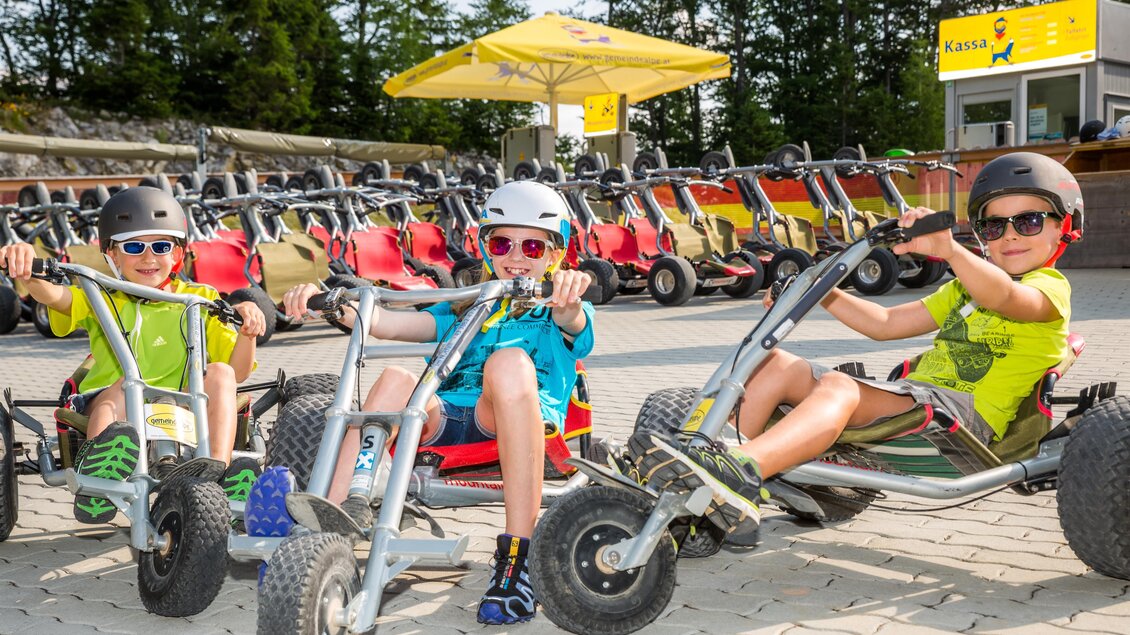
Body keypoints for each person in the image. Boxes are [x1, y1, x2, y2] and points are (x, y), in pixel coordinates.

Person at [630, 151, 1083, 536]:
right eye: (993, 226)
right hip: (917, 399)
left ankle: (740, 470)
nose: (1008, 236)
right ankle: (709, 459)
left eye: (1027, 221)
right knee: (776, 363)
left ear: (1065, 227)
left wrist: (951, 252)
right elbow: (885, 323)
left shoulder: (1049, 289)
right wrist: (822, 291)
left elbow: (1005, 295)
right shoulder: (962, 291)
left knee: (840, 388)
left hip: (960, 422)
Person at [269, 180, 595, 625]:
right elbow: (384, 321)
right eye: (502, 242)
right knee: (395, 378)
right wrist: (325, 303)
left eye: (533, 247)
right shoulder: (463, 306)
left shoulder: (554, 306)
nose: (516, 256)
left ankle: (519, 556)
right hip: (445, 416)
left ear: (554, 254)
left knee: (508, 361)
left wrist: (569, 293)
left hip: (513, 417)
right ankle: (327, 528)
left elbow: (571, 318)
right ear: (485, 247)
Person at [0, 186, 267, 523]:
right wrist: (27, 271)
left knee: (221, 374)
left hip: (187, 403)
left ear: (177, 256)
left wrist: (247, 333)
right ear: (111, 254)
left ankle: (218, 473)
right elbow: (55, 297)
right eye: (134, 246)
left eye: (161, 246)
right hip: (115, 405)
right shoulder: (102, 294)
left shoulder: (201, 298)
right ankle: (98, 482)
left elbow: (238, 372)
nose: (148, 257)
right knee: (128, 384)